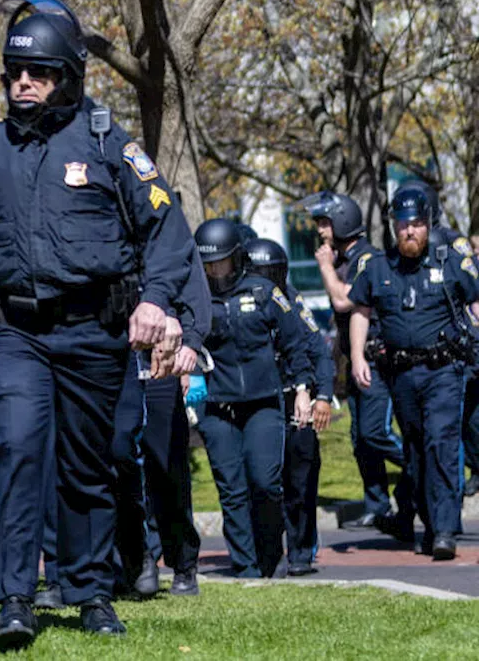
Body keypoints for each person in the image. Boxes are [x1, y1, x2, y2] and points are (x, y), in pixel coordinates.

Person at [0, 0, 196, 645]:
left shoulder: (108, 144)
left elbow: (165, 224)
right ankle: (15, 596)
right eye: (15, 71)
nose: (23, 82)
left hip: (93, 332)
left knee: (89, 462)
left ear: (67, 76)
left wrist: (155, 299)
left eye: (37, 72)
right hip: (14, 331)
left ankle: (92, 590)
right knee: (15, 446)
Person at [348, 186, 479, 559]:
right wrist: (358, 355)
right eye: (403, 224)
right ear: (393, 226)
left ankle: (444, 531)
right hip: (401, 374)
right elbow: (360, 310)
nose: (410, 231)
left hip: (444, 371)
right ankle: (429, 521)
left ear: (429, 224)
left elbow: (475, 299)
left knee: (441, 443)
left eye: (417, 224)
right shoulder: (377, 266)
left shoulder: (449, 261)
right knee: (416, 450)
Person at [193, 220, 316, 580]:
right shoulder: (195, 296)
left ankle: (269, 554)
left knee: (264, 482)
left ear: (238, 259)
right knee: (231, 488)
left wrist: (303, 390)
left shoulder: (265, 292)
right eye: (208, 266)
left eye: (221, 263)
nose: (215, 272)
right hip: (217, 406)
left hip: (262, 402)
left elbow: (295, 343)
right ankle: (245, 568)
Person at [112, 238, 210, 599]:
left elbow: (191, 283)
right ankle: (138, 557)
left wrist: (191, 342)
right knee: (118, 454)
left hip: (161, 356)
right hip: (115, 355)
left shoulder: (160, 224)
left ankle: (183, 560)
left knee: (164, 462)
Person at [309, 191, 409, 533]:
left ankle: (420, 463)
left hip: (375, 359)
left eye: (324, 223)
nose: (320, 231)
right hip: (354, 360)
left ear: (342, 222)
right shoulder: (342, 260)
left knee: (376, 432)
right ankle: (377, 505)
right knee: (360, 439)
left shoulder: (366, 258)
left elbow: (343, 302)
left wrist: (324, 267)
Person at [245, 237, 336, 576]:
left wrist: (322, 395)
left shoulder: (293, 304)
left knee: (301, 478)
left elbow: (319, 353)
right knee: (263, 481)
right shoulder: (241, 302)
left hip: (296, 399)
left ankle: (300, 550)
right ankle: (264, 551)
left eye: (271, 273)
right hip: (258, 401)